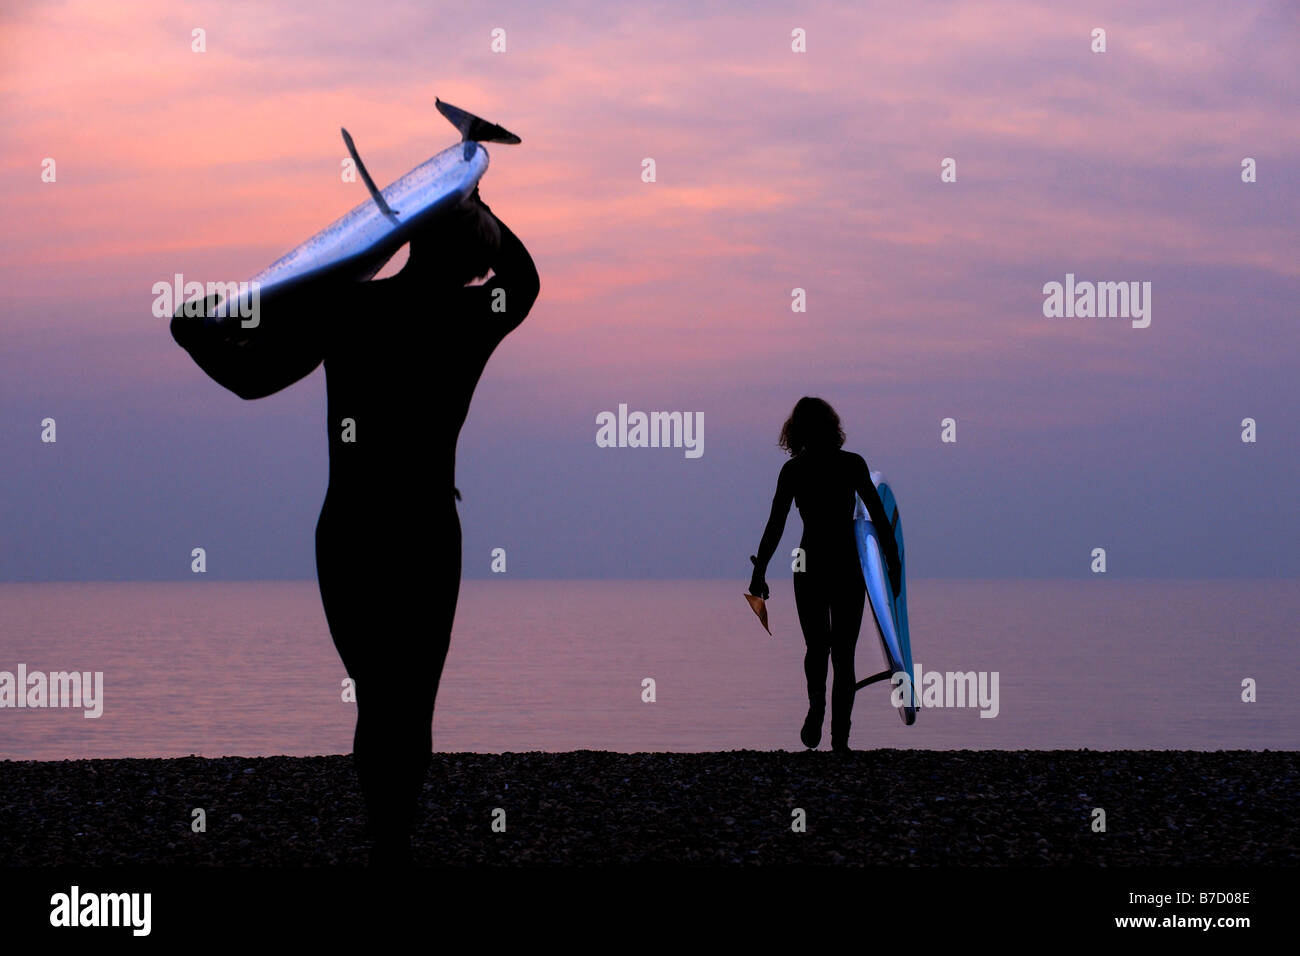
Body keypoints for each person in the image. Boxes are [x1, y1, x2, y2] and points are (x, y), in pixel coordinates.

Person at [170, 191, 539, 863]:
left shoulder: (349, 307)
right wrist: (472, 189)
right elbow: (526, 281)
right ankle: (392, 841)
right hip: (422, 525)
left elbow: (250, 375)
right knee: (409, 700)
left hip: (353, 526)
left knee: (378, 694)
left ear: (414, 241)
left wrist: (195, 332)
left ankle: (386, 840)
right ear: (474, 263)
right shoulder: (469, 317)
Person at [748, 397, 901, 753]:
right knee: (843, 653)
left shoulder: (794, 470)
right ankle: (840, 741)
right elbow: (878, 517)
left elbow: (776, 525)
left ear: (796, 431)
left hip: (809, 562)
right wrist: (892, 565)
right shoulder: (851, 464)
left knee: (817, 646)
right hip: (847, 565)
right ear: (833, 427)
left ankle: (816, 707)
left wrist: (759, 572)